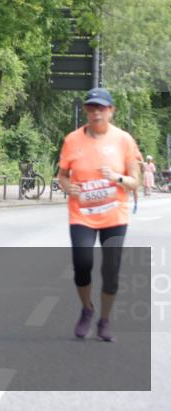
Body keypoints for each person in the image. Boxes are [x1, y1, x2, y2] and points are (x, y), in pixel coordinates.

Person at [57, 87, 141, 342]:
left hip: (114, 215)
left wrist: (115, 177)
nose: (96, 113)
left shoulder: (124, 140)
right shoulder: (72, 140)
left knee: (110, 271)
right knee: (83, 264)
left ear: (111, 111)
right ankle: (87, 309)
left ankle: (104, 320)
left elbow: (134, 181)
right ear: (86, 111)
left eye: (101, 108)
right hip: (81, 213)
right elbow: (61, 175)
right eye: (91, 108)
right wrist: (67, 185)